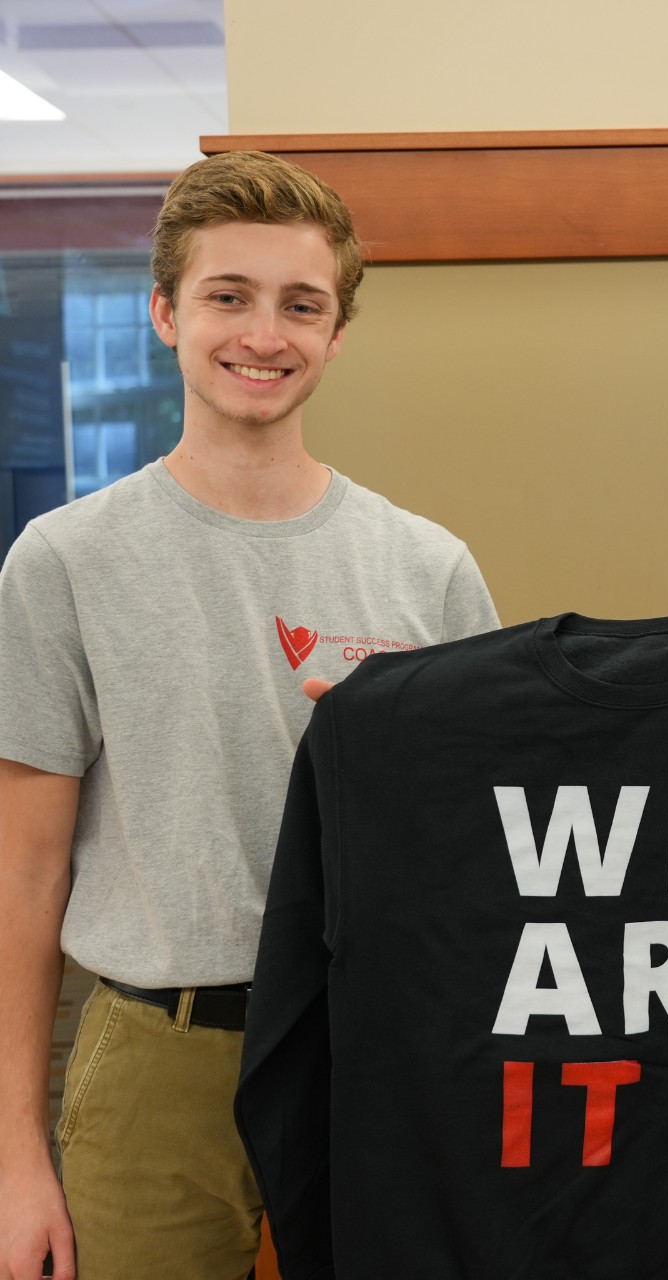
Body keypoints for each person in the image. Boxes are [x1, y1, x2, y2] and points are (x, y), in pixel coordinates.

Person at [0, 151, 498, 1280]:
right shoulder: (64, 562)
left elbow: (484, 849)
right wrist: (13, 1156)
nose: (262, 333)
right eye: (228, 296)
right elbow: (22, 875)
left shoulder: (429, 569)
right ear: (167, 312)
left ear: (336, 334)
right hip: (153, 1064)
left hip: (369, 1052)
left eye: (300, 304)